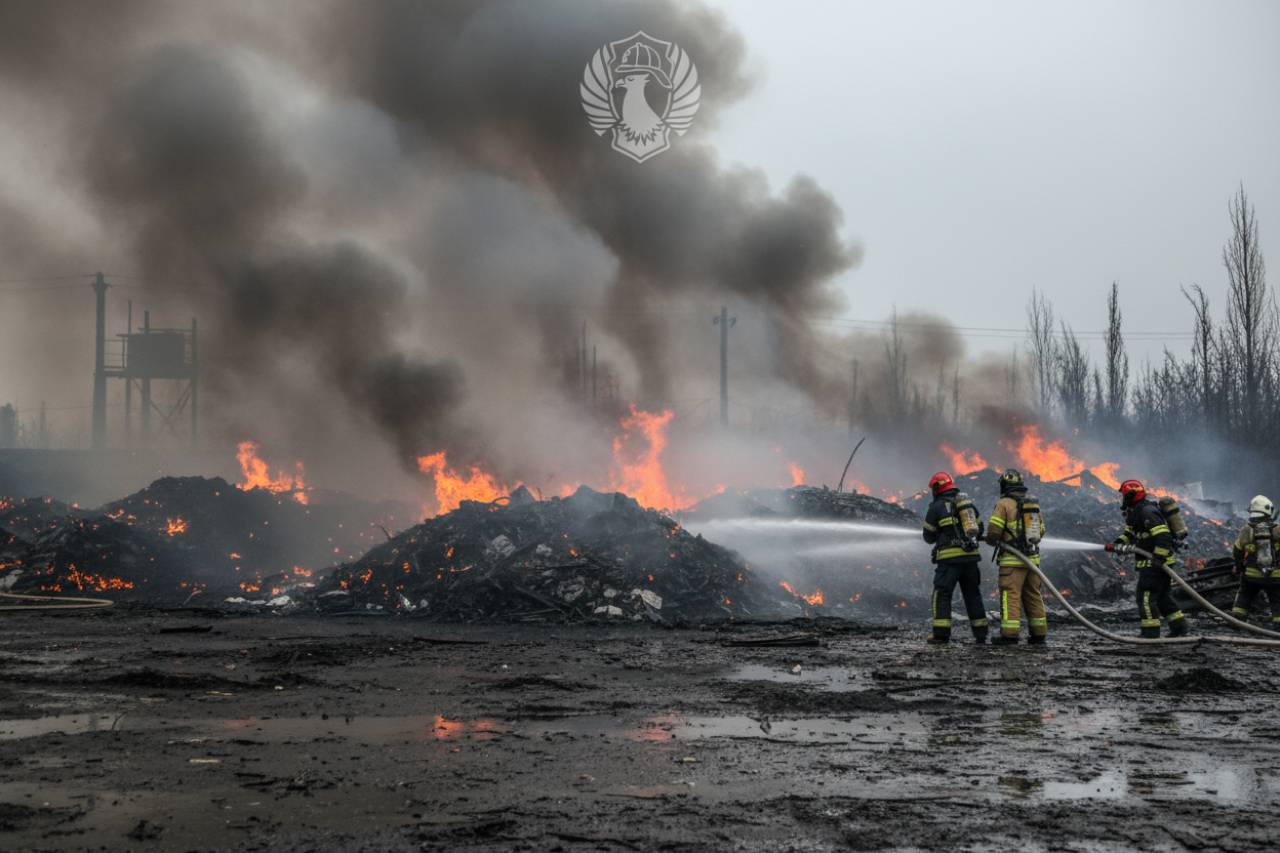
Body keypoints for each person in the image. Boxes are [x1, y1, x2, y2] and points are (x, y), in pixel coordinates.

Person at [1107, 479, 1188, 638]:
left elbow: (1163, 536)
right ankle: (1179, 628)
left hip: (1155, 564)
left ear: (1131, 495)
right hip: (1155, 563)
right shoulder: (1136, 511)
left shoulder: (1147, 512)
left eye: (1124, 495)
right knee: (1163, 597)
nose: (1122, 498)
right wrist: (1119, 543)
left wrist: (1158, 557)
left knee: (1145, 597)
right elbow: (1130, 533)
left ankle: (1150, 632)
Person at [921, 471, 989, 645]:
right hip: (971, 559)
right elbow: (980, 529)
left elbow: (928, 537)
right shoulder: (968, 505)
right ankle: (981, 634)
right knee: (973, 595)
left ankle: (941, 635)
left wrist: (942, 534)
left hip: (949, 561)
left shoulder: (936, 507)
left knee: (942, 594)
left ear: (937, 488)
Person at [984, 469, 1048, 645]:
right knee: (1033, 595)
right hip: (1032, 561)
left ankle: (1009, 634)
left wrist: (991, 540)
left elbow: (994, 531)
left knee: (1010, 596)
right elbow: (1041, 530)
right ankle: (1039, 634)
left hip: (1012, 561)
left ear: (1005, 485)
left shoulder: (1003, 504)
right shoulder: (1032, 504)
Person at [1230, 495, 1280, 628]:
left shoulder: (1246, 530)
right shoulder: (1277, 529)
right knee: (1277, 600)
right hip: (1275, 576)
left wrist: (1239, 567)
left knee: (1244, 596)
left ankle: (1237, 621)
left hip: (1251, 575)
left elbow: (1237, 551)